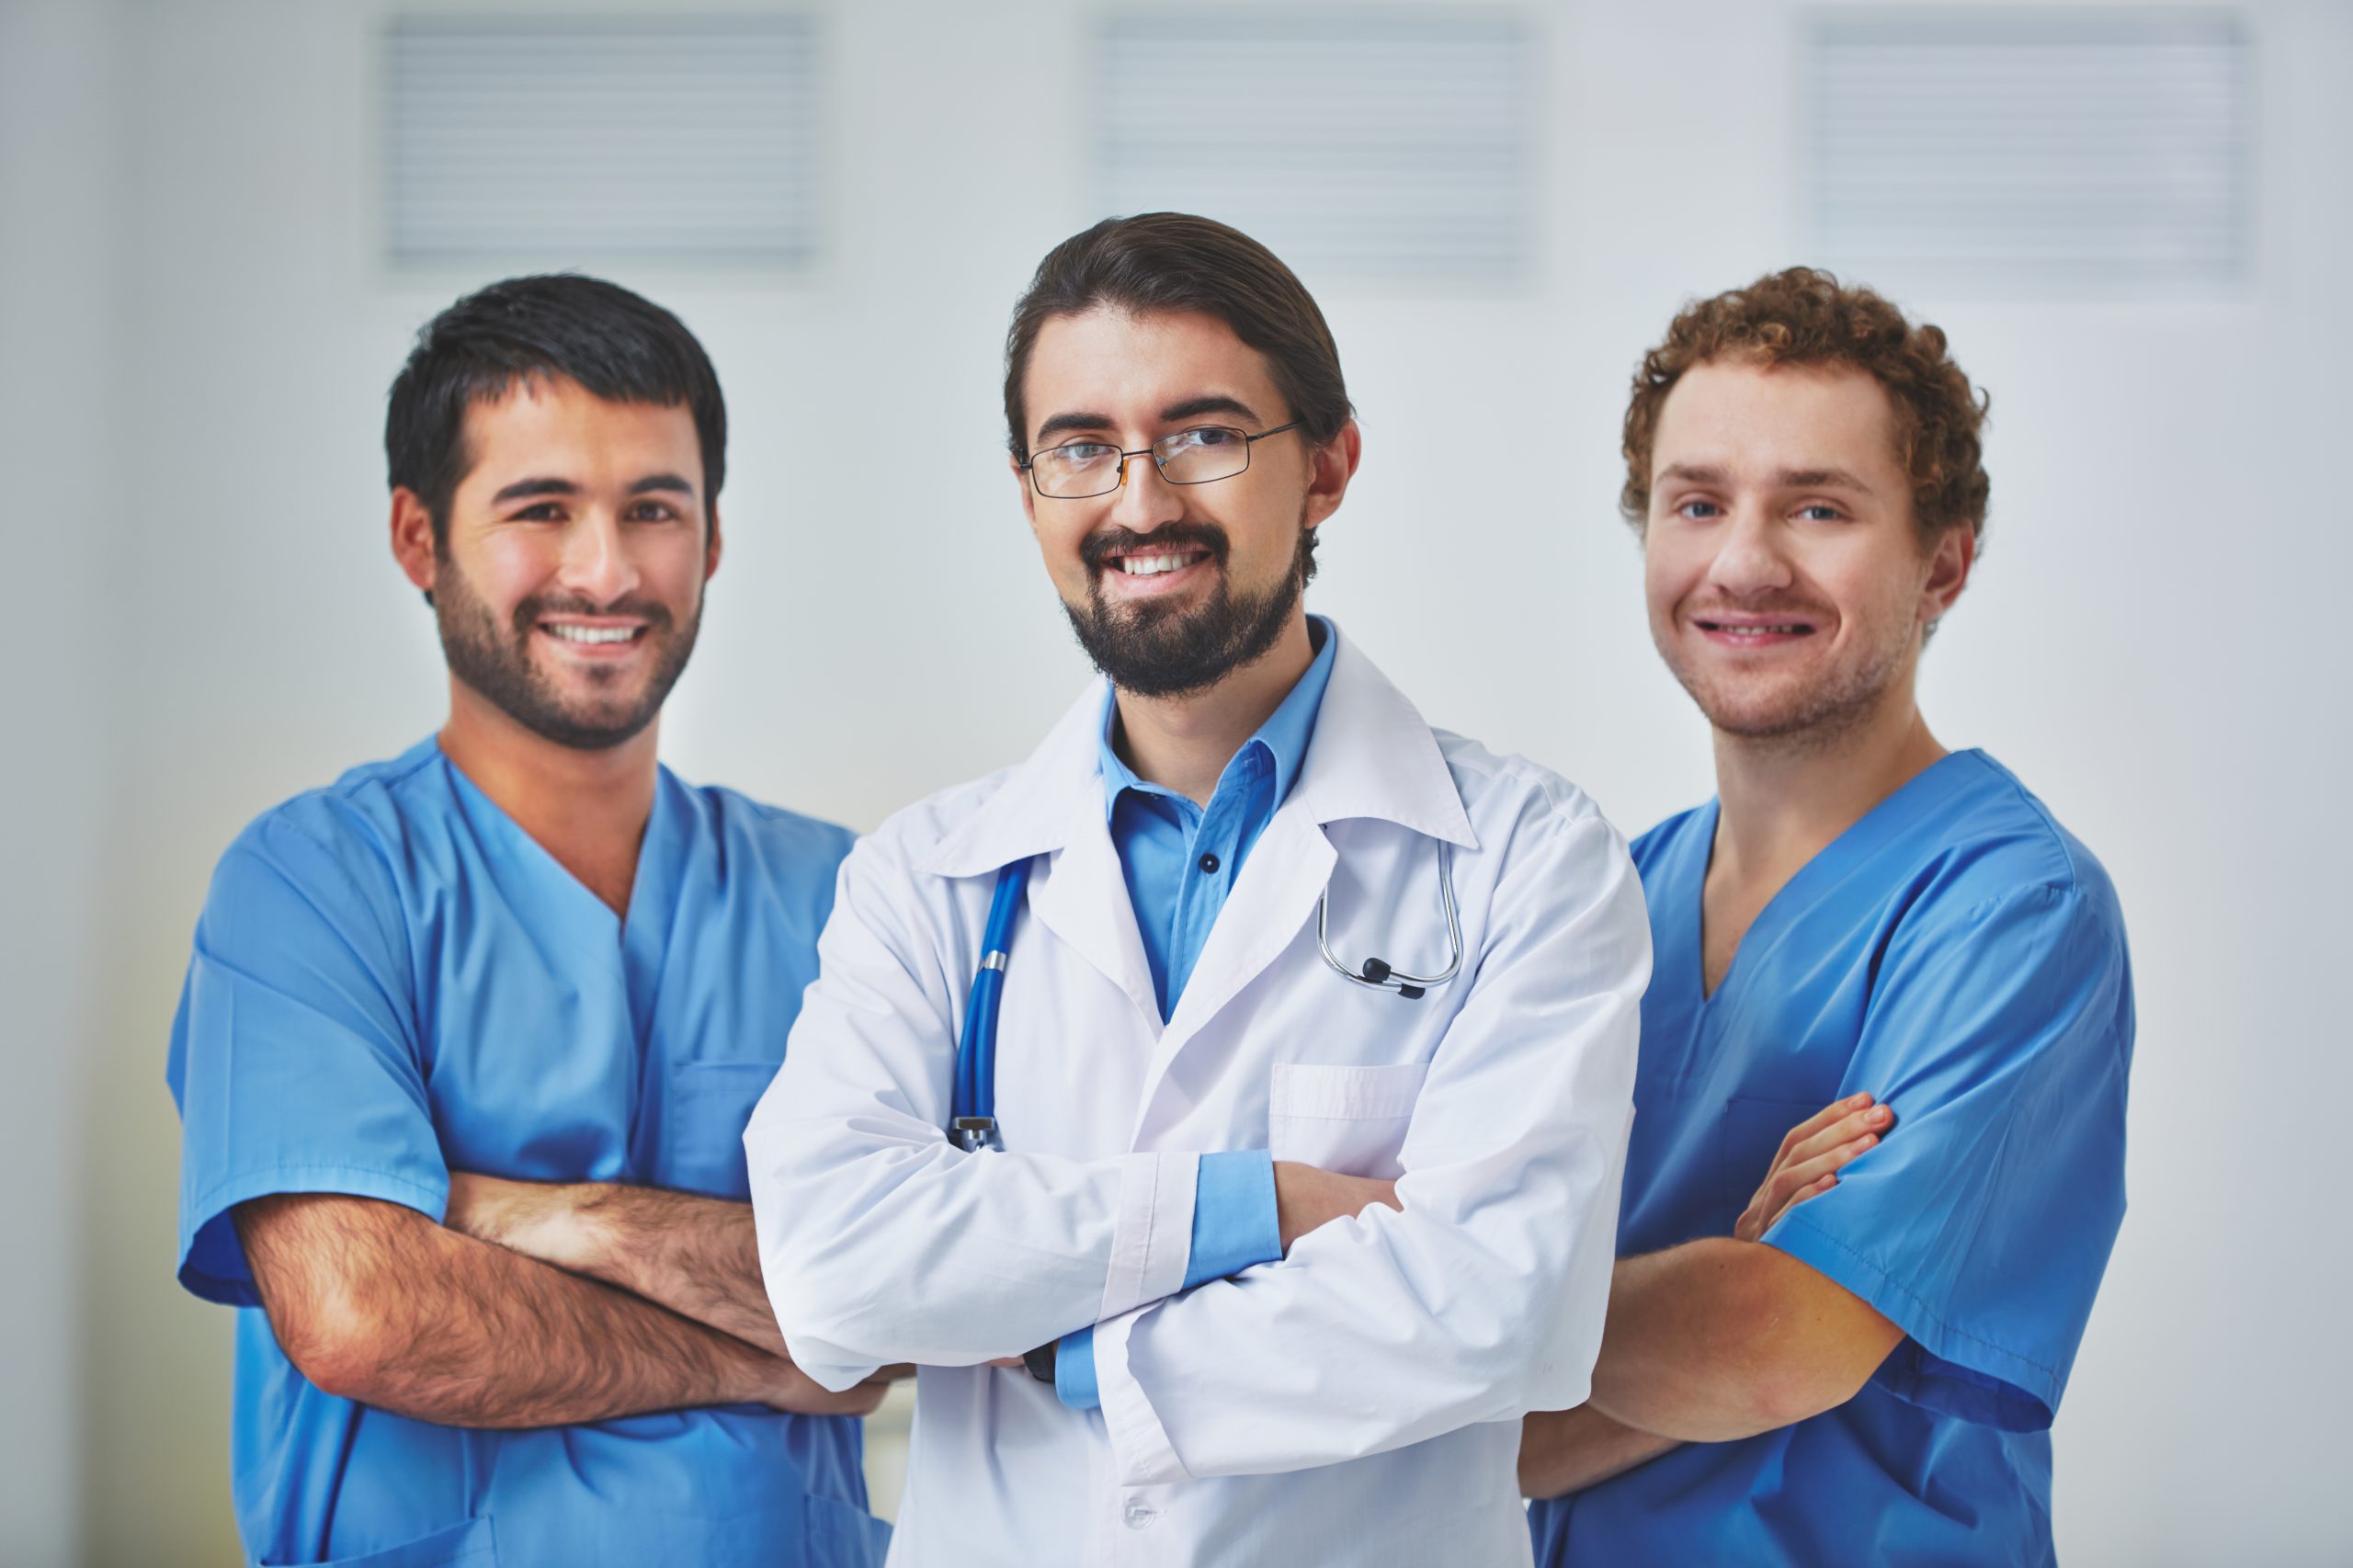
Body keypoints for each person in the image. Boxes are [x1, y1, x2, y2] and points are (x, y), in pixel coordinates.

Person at [744, 212, 1649, 1566]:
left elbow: (1504, 1307)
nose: (1140, 498)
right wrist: (1264, 1206)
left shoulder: (1530, 856)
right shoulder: (925, 878)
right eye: (1081, 447)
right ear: (1028, 487)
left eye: (1204, 435)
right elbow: (830, 1262)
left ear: (1329, 465)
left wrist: (1068, 1343)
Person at [165, 275, 893, 1568]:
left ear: (713, 538)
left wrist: (536, 1215)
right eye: (540, 508)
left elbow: (917, 1296)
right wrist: (766, 1347)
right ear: (417, 537)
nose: (606, 569)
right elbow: (361, 1309)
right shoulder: (308, 886)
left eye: (653, 509)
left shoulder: (849, 894)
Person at [1520, 268, 2134, 1566]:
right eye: (1698, 503)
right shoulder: (1593, 900)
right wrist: (1728, 1267)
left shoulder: (2011, 911)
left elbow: (1771, 1346)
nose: (1744, 560)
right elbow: (1485, 1430)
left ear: (1944, 563)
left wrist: (1492, 1313)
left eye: (1818, 506)